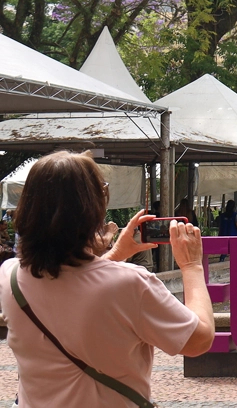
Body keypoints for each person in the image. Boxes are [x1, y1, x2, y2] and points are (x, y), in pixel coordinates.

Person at [0, 151, 214, 407]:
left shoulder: (11, 276)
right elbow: (199, 340)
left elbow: (74, 288)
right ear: (92, 211)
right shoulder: (130, 284)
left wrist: (115, 255)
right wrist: (191, 266)